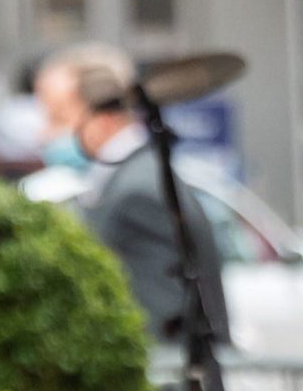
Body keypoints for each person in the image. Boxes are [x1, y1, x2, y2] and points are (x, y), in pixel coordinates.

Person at [43, 43, 228, 343]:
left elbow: (162, 323)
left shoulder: (138, 194)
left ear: (102, 118)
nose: (44, 133)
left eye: (58, 118)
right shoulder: (128, 182)